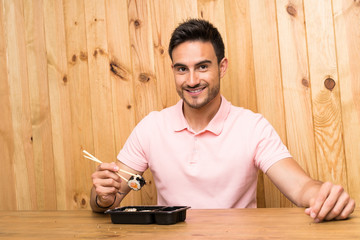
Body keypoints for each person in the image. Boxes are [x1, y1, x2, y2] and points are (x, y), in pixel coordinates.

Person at [90, 19, 355, 222]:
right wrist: (102, 197)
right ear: (174, 70)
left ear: (222, 67)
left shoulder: (252, 127)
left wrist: (324, 197)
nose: (192, 80)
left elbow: (302, 187)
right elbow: (108, 199)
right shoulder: (151, 127)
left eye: (202, 66)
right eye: (182, 69)